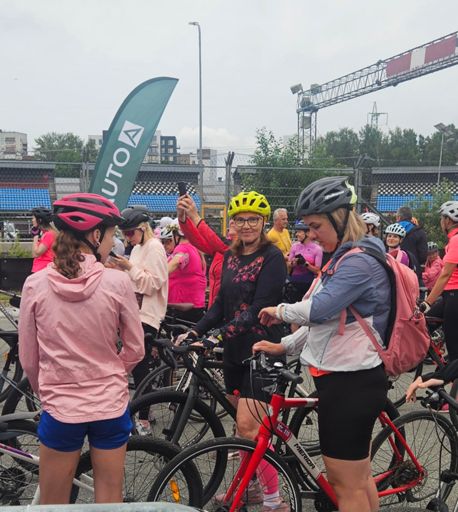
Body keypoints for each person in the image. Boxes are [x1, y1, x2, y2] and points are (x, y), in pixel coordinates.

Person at [253, 176, 390, 512]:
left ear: (340, 218)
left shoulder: (358, 261)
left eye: (316, 226)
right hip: (348, 379)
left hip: (350, 382)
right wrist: (285, 345)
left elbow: (319, 310)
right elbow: (326, 321)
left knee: (346, 487)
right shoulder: (343, 258)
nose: (311, 234)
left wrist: (279, 310)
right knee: (359, 481)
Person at [18, 193, 144, 504]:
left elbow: (28, 358)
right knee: (110, 499)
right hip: (110, 404)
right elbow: (135, 349)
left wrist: (47, 390)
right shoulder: (118, 283)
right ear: (96, 235)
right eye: (112, 235)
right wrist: (113, 372)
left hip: (60, 407)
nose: (113, 242)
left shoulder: (35, 284)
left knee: (52, 503)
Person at [179, 190, 288, 511]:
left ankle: (275, 501)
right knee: (242, 429)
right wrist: (196, 330)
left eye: (253, 219)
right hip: (234, 351)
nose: (247, 225)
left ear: (263, 222)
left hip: (263, 350)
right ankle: (250, 487)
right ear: (233, 223)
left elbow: (258, 308)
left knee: (251, 429)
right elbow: (219, 305)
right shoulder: (230, 256)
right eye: (240, 220)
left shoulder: (272, 257)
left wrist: (216, 336)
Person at [108, 206, 168, 431]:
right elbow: (133, 280)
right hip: (135, 312)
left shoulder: (155, 247)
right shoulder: (138, 248)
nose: (127, 238)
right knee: (137, 368)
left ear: (143, 228)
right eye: (124, 234)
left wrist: (129, 267)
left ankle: (144, 419)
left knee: (141, 369)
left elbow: (153, 283)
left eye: (130, 233)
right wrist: (119, 269)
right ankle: (144, 413)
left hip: (148, 315)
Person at [177, 193, 236, 307]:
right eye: (232, 218)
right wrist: (182, 218)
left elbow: (218, 243)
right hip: (214, 309)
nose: (232, 221)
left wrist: (195, 216)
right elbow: (196, 239)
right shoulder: (220, 247)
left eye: (238, 219)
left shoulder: (237, 248)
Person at [419, 201, 458, 361]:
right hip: (449, 295)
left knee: (454, 347)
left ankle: (447, 371)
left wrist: (427, 302)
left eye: (442, 218)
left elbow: (445, 274)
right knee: (424, 322)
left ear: (448, 220)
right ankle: (439, 364)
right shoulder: (453, 240)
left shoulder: (456, 240)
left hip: (454, 295)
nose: (441, 222)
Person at [163, 219, 207, 323]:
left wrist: (157, 275)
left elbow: (176, 261)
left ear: (176, 235)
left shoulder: (182, 248)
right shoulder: (195, 249)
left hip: (182, 306)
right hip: (195, 304)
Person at [287, 221, 322, 302]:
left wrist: (305, 264)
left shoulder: (317, 249)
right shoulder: (294, 246)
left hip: (309, 284)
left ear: (308, 233)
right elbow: (288, 264)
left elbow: (317, 270)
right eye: (297, 232)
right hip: (295, 282)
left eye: (299, 232)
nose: (297, 234)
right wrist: (293, 263)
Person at [396, 205, 427, 280]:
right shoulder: (420, 232)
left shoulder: (391, 233)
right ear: (411, 217)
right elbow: (423, 256)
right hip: (414, 271)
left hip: (396, 270)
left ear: (399, 217)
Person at [31, 207, 56, 273]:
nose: (32, 220)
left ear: (39, 220)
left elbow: (36, 254)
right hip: (41, 270)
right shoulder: (45, 234)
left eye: (33, 218)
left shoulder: (49, 234)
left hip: (43, 270)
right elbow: (34, 254)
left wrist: (35, 236)